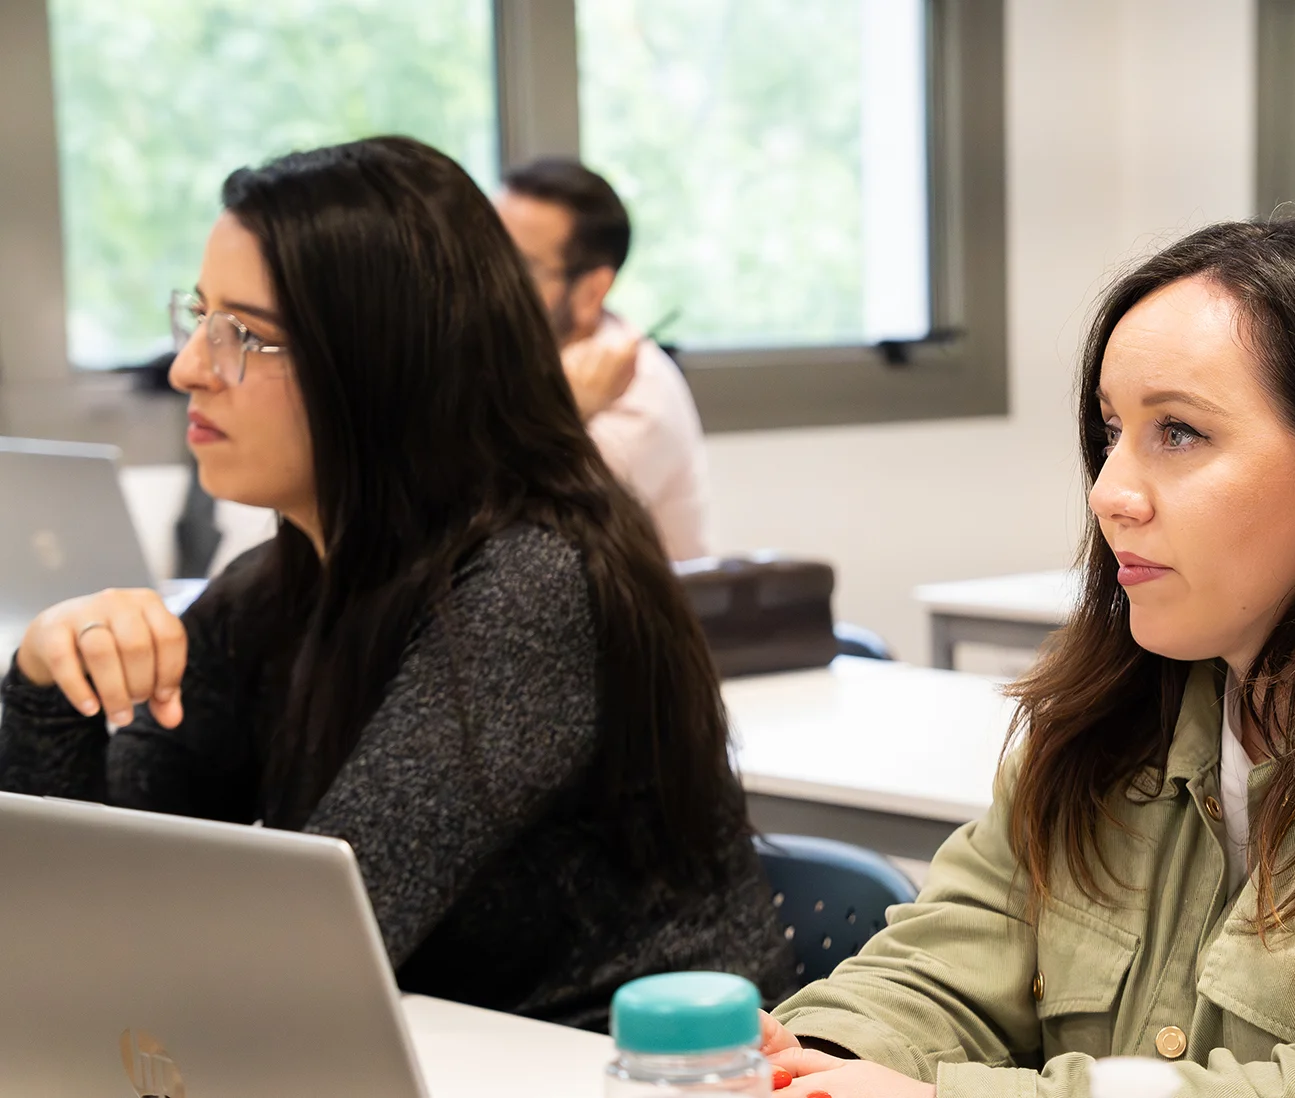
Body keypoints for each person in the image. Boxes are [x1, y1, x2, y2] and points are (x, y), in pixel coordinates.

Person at [758, 218, 1295, 1097]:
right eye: (1110, 432)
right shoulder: (1130, 694)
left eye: (1177, 433)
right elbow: (947, 957)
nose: (1109, 492)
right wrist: (816, 1062)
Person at [0, 135, 792, 1030]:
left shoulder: (529, 589)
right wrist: (44, 687)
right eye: (199, 316)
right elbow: (92, 908)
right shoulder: (275, 586)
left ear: (386, 363)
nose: (189, 366)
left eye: (248, 336)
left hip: (626, 1070)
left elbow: (295, 959)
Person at [496, 157, 711, 562]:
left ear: (592, 290)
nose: (489, 283)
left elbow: (526, 539)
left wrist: (567, 412)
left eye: (520, 268)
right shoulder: (513, 360)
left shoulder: (639, 394)